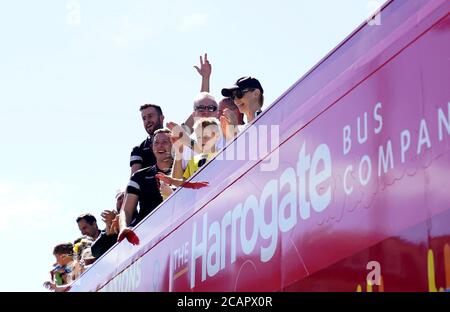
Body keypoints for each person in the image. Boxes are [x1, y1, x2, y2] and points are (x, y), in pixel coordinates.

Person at [118, 128, 174, 243]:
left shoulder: (184, 170)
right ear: (152, 148)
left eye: (165, 142)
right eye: (156, 143)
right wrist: (123, 227)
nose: (160, 146)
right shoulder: (139, 176)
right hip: (146, 239)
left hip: (174, 231)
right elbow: (126, 210)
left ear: (174, 145)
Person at [160, 117, 220, 187]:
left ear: (217, 136)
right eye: (199, 138)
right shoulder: (194, 161)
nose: (202, 141)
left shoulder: (223, 155)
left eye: (206, 137)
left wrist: (185, 139)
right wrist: (179, 151)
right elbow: (181, 184)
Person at [130, 104, 165, 175]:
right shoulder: (138, 150)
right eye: (144, 118)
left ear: (161, 118)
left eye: (150, 116)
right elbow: (134, 179)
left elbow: (188, 126)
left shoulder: (175, 140)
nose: (147, 121)